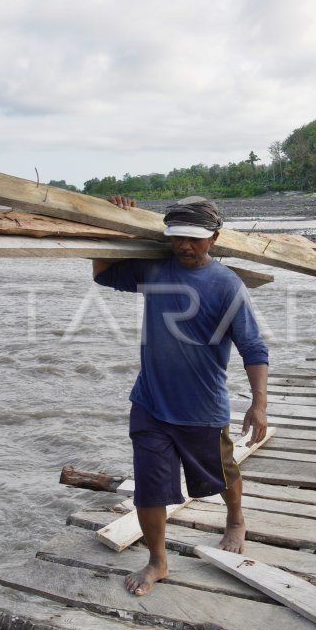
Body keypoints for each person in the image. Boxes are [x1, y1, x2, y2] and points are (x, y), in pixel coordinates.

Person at [92, 195, 269, 597]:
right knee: (150, 487)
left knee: (222, 473)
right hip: (151, 402)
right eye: (177, 239)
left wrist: (258, 404)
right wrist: (114, 219)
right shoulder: (155, 270)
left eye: (194, 239)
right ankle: (158, 561)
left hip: (202, 408)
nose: (185, 246)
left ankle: (236, 518)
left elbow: (254, 349)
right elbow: (102, 271)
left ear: (214, 238)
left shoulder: (226, 285)